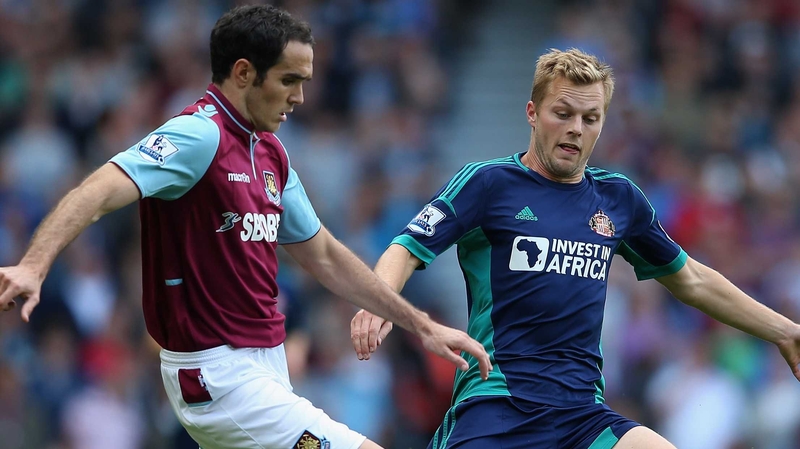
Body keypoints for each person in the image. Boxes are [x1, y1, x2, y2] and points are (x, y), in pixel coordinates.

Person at [0, 5, 492, 449]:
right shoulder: (199, 134)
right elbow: (98, 190)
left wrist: (422, 325)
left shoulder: (271, 152)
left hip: (267, 368)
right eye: (288, 80)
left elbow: (322, 253)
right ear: (243, 73)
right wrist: (34, 264)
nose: (300, 97)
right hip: (218, 376)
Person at [350, 48, 800, 449]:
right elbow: (407, 247)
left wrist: (784, 331)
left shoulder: (618, 198)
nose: (576, 129)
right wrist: (379, 302)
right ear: (531, 111)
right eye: (562, 113)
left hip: (580, 414)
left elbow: (693, 281)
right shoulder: (488, 183)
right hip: (498, 403)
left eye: (591, 118)